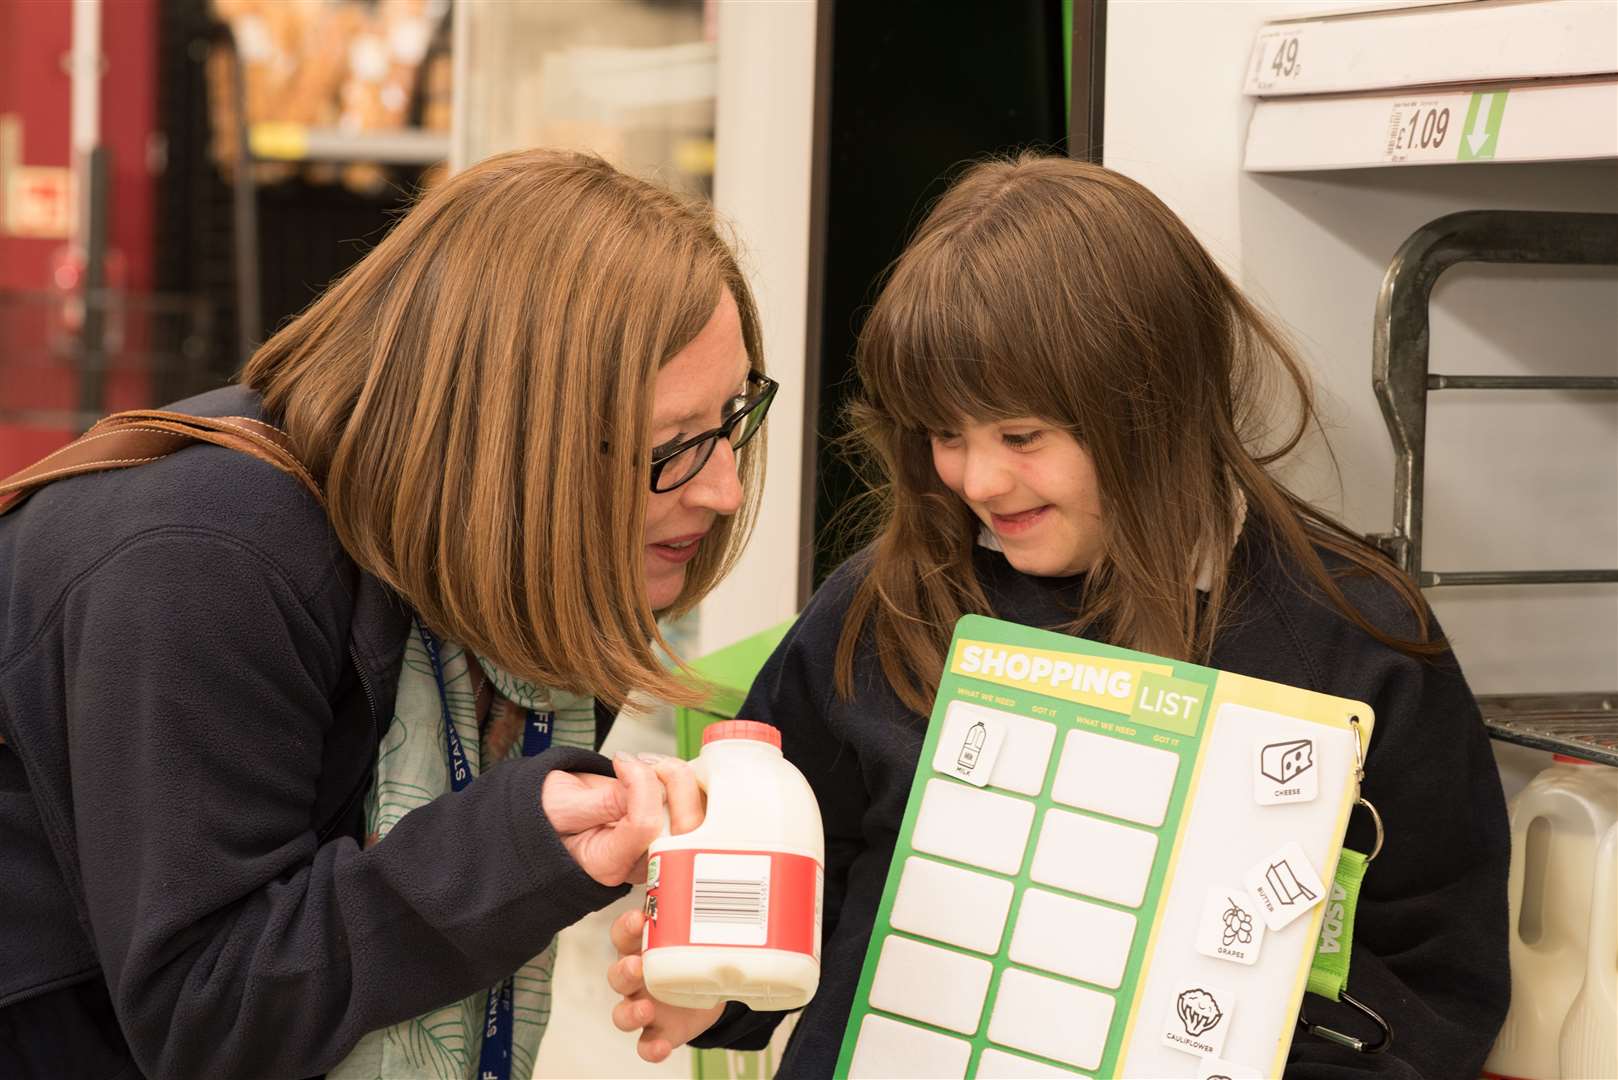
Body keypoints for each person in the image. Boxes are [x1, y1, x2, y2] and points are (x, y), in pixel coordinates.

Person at [606, 154, 1511, 1077]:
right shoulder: (884, 610)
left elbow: (1438, 978)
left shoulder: (1352, 638)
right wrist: (716, 992)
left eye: (1022, 436)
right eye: (945, 435)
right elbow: (789, 886)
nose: (980, 480)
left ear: (1153, 404)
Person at [0, 148, 772, 1079]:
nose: (725, 489)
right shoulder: (202, 558)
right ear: (512, 435)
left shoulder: (514, 558)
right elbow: (206, 1011)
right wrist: (511, 851)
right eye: (674, 446)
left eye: (732, 419)